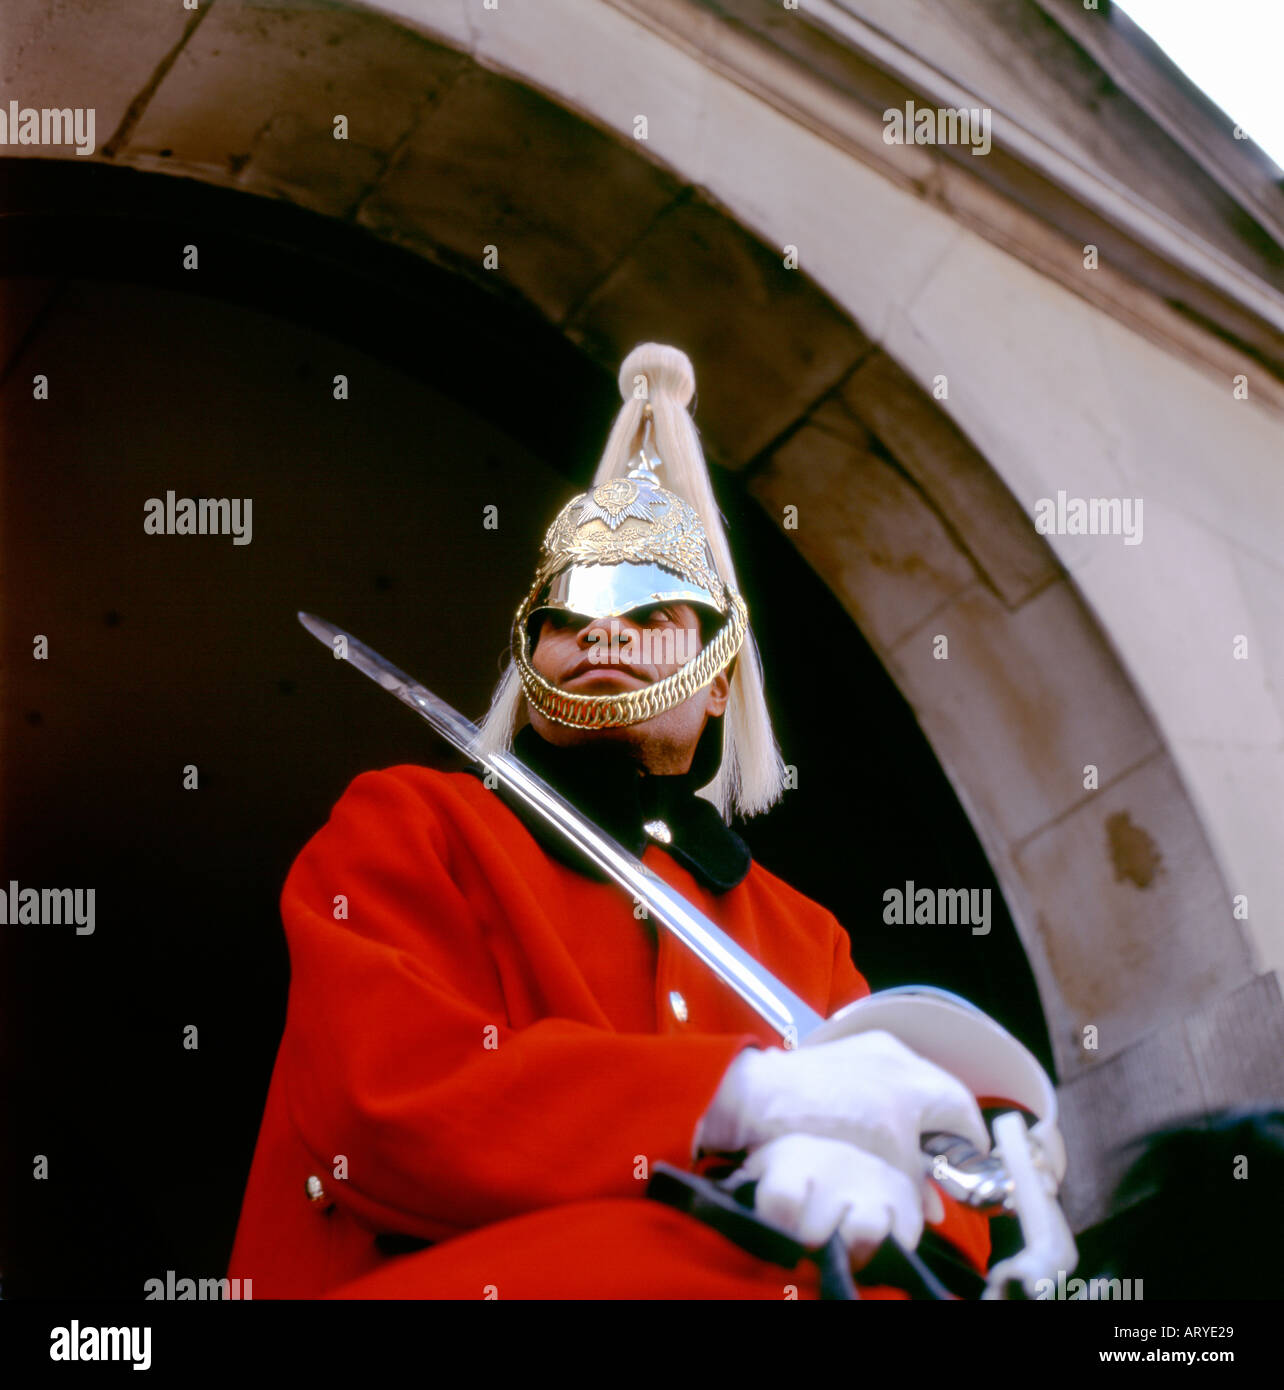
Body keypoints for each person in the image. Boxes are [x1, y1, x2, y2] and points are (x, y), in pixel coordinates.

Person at [227, 342, 995, 1300]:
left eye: (652, 612)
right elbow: (393, 1101)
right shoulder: (408, 822)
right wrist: (741, 1101)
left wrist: (898, 1176)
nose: (603, 632)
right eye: (570, 613)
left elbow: (954, 1178)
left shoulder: (809, 939)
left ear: (717, 683)